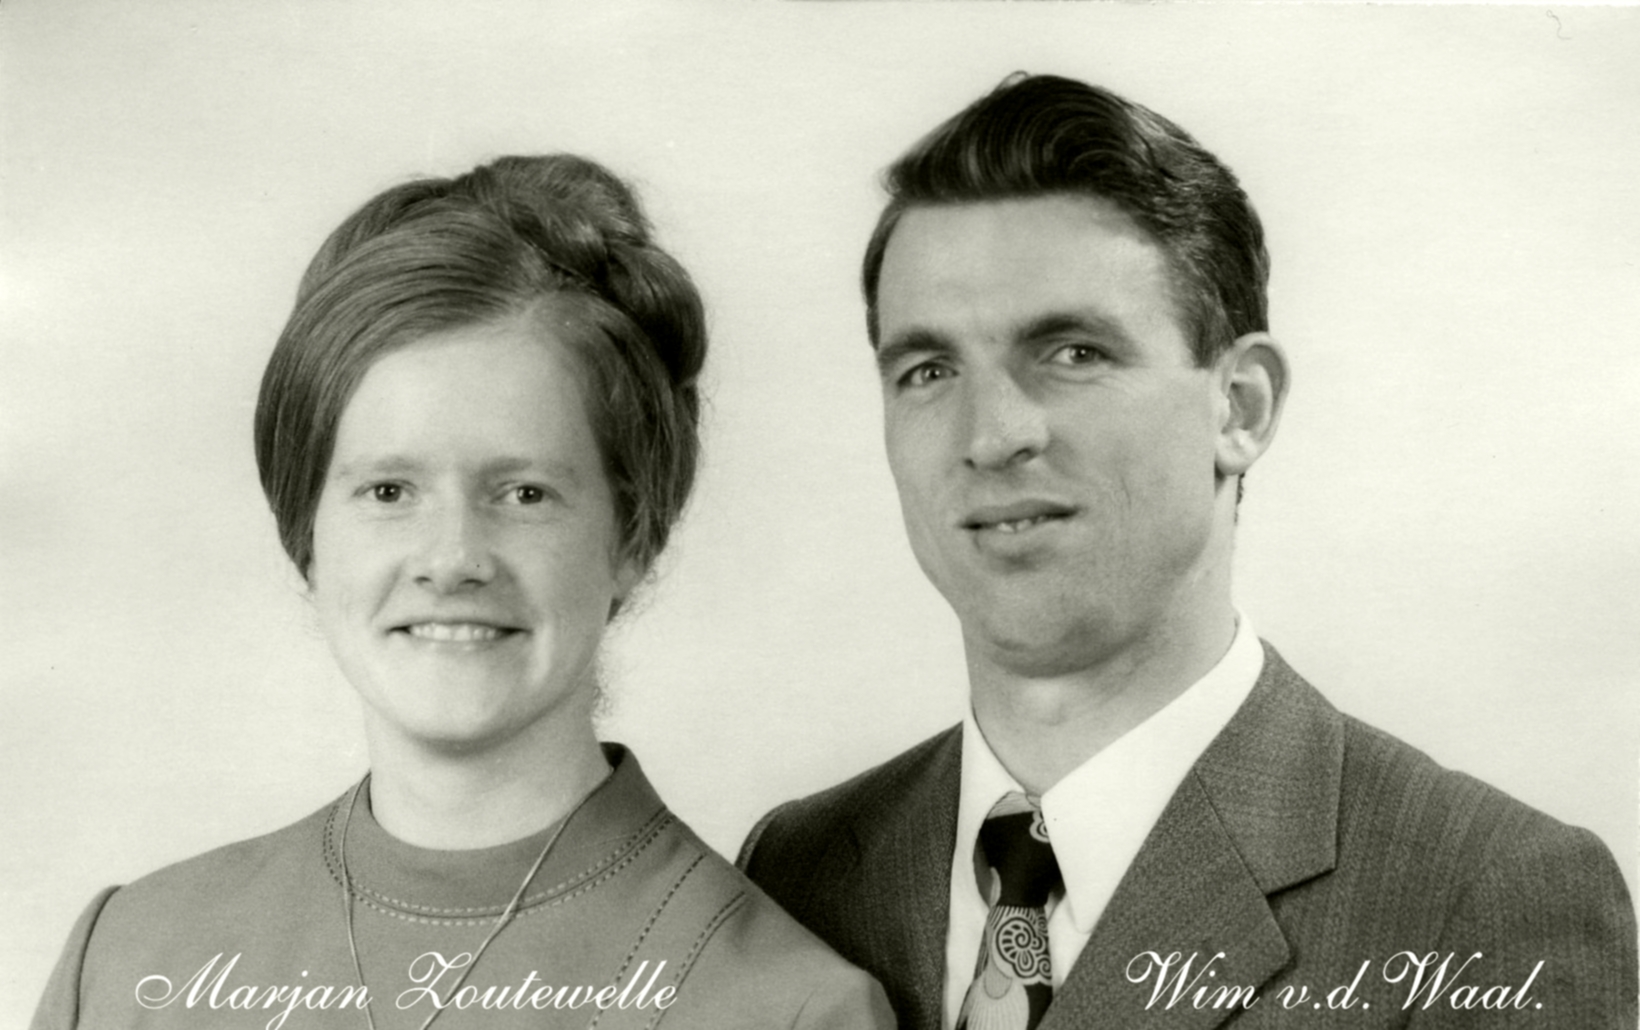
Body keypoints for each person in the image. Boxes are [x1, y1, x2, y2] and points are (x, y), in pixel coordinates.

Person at [738, 74, 1637, 1029]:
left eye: (1074, 353)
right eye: (928, 370)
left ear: (1240, 407)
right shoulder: (797, 872)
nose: (992, 435)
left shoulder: (1484, 900)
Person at [33, 154, 892, 1030]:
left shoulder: (788, 1008)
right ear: (308, 537)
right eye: (388, 491)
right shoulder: (128, 962)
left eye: (523, 493)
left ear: (633, 537)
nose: (451, 559)